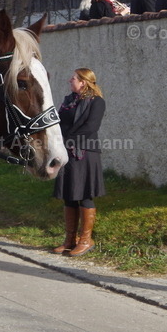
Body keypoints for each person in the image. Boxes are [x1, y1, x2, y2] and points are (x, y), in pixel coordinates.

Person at [52, 68, 106, 257]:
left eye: (73, 78)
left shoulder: (96, 102)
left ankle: (86, 240)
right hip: (66, 152)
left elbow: (91, 127)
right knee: (69, 194)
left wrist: (68, 142)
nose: (70, 80)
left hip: (85, 152)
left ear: (83, 82)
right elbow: (58, 123)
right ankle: (69, 240)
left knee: (84, 195)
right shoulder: (68, 101)